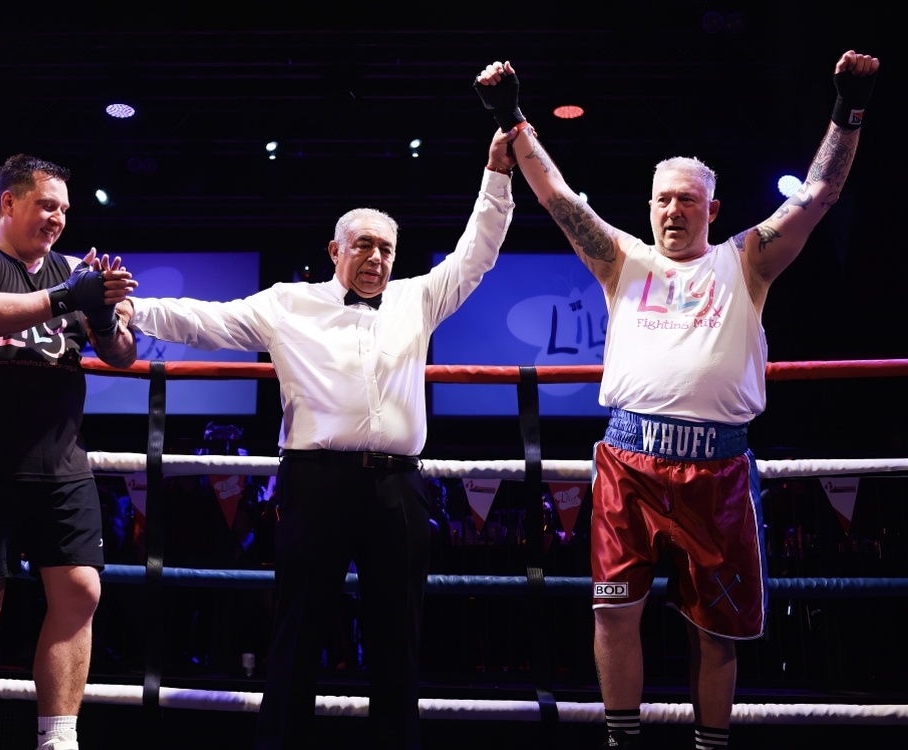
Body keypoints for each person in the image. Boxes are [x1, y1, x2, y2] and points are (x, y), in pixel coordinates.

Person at [475, 51, 879, 749]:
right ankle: (621, 742)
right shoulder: (623, 260)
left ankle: (711, 745)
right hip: (629, 461)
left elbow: (816, 196)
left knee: (715, 628)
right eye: (663, 198)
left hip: (717, 471)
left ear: (711, 208)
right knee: (613, 614)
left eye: (686, 200)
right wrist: (511, 116)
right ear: (649, 204)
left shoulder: (746, 259)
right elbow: (559, 199)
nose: (672, 210)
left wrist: (848, 112)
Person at [124, 128, 518, 749]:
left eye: (387, 249)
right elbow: (204, 320)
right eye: (364, 245)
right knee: (297, 636)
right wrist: (131, 309)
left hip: (397, 485)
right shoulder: (290, 304)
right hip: (316, 484)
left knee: (398, 642)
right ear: (335, 249)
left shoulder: (417, 299)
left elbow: (477, 252)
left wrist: (497, 173)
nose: (377, 258)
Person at [0, 153, 139, 750]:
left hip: (61, 461)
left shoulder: (71, 269)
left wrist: (102, 313)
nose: (58, 219)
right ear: (8, 202)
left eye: (65, 209)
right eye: (47, 205)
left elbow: (120, 354)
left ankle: (58, 740)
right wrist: (71, 295)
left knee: (81, 591)